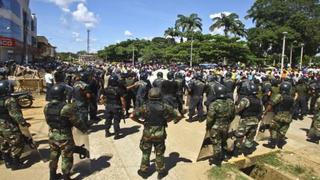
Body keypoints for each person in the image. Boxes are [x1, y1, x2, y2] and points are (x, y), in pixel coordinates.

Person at [130, 88, 180, 179]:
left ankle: (143, 171)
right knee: (159, 153)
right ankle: (161, 172)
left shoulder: (145, 106)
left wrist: (141, 122)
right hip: (160, 133)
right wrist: (167, 120)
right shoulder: (165, 106)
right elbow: (178, 115)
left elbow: (132, 115)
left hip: (147, 134)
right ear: (160, 96)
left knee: (146, 152)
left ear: (149, 96)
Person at [44, 84, 88, 180]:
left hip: (52, 135)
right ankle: (66, 177)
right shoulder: (67, 107)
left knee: (53, 156)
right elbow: (77, 122)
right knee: (66, 157)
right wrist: (84, 129)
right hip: (65, 136)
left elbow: (48, 120)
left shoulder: (47, 107)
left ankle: (52, 176)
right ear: (62, 95)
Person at [0, 80, 30, 170]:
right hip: (8, 125)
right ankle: (15, 163)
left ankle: (7, 162)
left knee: (3, 143)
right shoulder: (9, 100)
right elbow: (15, 115)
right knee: (18, 142)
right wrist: (23, 123)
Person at [206, 84, 235, 165]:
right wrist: (227, 122)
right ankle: (225, 156)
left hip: (215, 127)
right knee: (224, 141)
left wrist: (208, 127)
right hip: (226, 126)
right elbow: (233, 115)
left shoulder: (214, 104)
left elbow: (210, 119)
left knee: (216, 143)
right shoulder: (230, 102)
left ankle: (217, 160)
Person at [263, 81, 295, 149]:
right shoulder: (292, 98)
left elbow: (271, 104)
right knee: (283, 130)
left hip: (279, 115)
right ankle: (280, 144)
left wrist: (265, 112)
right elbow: (293, 108)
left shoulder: (279, 96)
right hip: (288, 116)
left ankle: (272, 144)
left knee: (273, 129)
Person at [234, 82, 263, 156]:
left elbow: (238, 109)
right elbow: (261, 111)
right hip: (255, 121)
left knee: (240, 136)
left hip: (245, 121)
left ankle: (236, 152)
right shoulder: (259, 100)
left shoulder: (246, 100)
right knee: (250, 137)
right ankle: (247, 151)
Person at [102, 75, 126, 139]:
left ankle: (107, 132)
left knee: (108, 120)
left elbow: (102, 97)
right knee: (116, 121)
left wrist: (105, 103)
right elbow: (122, 99)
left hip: (108, 106)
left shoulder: (106, 89)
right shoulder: (118, 89)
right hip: (117, 107)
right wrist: (123, 107)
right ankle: (116, 134)